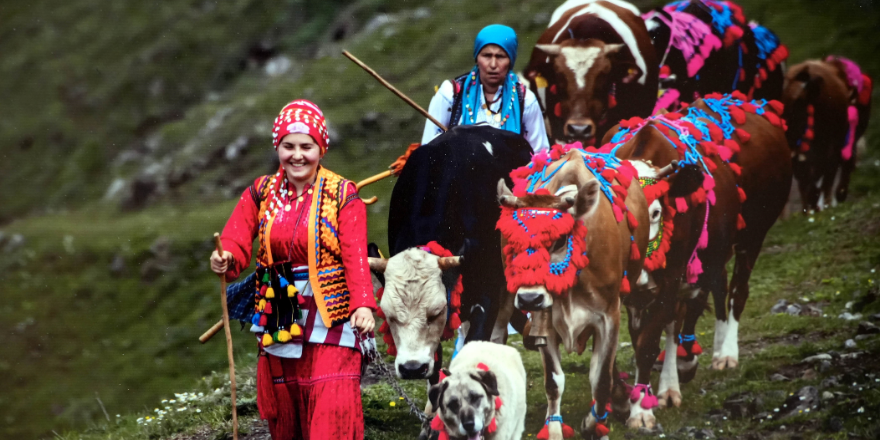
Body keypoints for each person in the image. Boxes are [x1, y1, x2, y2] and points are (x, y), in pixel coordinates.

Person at [210, 99, 376, 440]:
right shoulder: (261, 192)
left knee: (331, 402)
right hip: (278, 305)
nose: (297, 155)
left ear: (321, 148)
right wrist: (226, 258)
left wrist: (363, 304)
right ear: (278, 148)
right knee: (287, 407)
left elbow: (355, 255)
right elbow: (236, 241)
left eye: (306, 146)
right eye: (288, 146)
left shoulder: (343, 194)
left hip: (333, 310)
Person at [421, 24, 550, 153]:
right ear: (477, 58)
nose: (493, 65)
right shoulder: (451, 94)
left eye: (500, 57)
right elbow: (427, 150)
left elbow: (540, 154)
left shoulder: (526, 100)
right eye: (487, 56)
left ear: (510, 61)